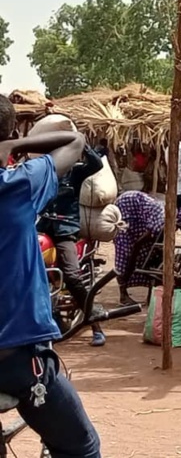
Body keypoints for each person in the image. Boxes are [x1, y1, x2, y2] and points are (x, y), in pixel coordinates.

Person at [0, 96, 102, 458]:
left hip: (63, 229)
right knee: (82, 447)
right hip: (13, 359)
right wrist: (15, 145)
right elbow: (74, 142)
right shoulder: (19, 185)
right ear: (12, 133)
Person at [37, 144, 106, 347]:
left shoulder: (75, 172)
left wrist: (82, 144)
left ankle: (96, 324)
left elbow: (96, 164)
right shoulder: (42, 172)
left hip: (65, 230)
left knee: (72, 276)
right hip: (42, 227)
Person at [115, 190, 181, 305]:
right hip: (128, 208)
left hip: (139, 213)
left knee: (153, 256)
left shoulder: (171, 218)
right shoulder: (163, 221)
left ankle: (151, 297)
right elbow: (140, 241)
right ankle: (123, 295)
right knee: (126, 254)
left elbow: (157, 241)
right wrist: (134, 254)